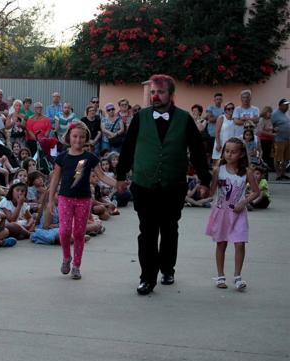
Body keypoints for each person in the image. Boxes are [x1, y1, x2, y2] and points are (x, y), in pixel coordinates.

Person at [116, 74, 211, 295]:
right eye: (152, 92)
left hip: (173, 185)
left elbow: (197, 151)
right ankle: (147, 277)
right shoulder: (140, 118)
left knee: (169, 230)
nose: (155, 96)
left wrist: (205, 180)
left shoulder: (184, 119)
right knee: (147, 232)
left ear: (171, 94)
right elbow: (128, 148)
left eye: (160, 92)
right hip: (144, 185)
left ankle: (168, 268)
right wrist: (120, 176)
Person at [47, 122, 116, 280]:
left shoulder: (89, 157)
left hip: (84, 200)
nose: (78, 140)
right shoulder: (62, 158)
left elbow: (102, 176)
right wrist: (51, 200)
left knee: (78, 233)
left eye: (82, 137)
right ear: (69, 137)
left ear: (86, 139)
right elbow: (55, 179)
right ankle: (66, 257)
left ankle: (76, 265)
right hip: (65, 199)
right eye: (75, 136)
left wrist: (117, 184)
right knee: (64, 231)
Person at [205, 138, 259, 291]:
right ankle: (220, 275)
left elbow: (256, 192)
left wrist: (244, 202)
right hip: (222, 213)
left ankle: (237, 276)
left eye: (233, 152)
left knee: (240, 243)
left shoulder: (246, 172)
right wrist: (205, 188)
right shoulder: (219, 170)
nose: (229, 154)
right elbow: (212, 191)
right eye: (227, 151)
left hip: (238, 214)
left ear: (241, 154)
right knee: (221, 243)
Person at [271, 98, 290, 180]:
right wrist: (273, 129)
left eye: (288, 105)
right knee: (278, 158)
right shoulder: (275, 114)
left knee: (286, 158)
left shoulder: (286, 114)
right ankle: (278, 174)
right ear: (280, 106)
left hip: (288, 139)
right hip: (279, 140)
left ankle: (283, 173)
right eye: (285, 105)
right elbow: (269, 125)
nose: (287, 107)